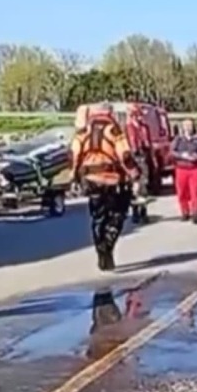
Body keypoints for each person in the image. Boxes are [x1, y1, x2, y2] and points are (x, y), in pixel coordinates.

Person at [72, 103, 139, 271]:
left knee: (97, 217)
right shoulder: (114, 130)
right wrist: (134, 175)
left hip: (91, 179)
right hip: (113, 179)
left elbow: (73, 155)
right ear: (110, 113)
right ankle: (108, 244)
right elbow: (125, 155)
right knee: (119, 213)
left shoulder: (83, 132)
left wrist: (73, 176)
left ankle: (101, 250)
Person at [171, 118, 197, 223]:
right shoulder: (178, 139)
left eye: (190, 125)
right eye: (185, 125)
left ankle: (195, 214)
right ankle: (185, 212)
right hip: (181, 168)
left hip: (194, 169)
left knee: (194, 192)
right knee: (182, 193)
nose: (188, 127)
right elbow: (172, 151)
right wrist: (182, 155)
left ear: (193, 127)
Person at [126, 111, 152, 224]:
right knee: (134, 187)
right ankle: (135, 212)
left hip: (143, 158)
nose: (140, 118)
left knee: (144, 186)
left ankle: (143, 211)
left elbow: (148, 144)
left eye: (141, 115)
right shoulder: (127, 128)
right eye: (138, 115)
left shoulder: (145, 127)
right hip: (131, 159)